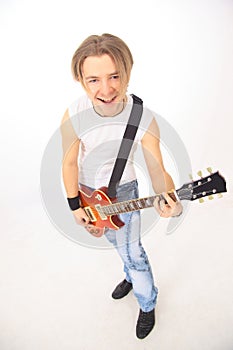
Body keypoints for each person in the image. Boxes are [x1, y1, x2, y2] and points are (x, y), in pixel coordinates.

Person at [61, 33, 183, 339]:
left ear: (128, 71)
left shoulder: (141, 116)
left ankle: (147, 302)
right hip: (89, 195)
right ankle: (130, 276)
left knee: (133, 252)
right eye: (94, 80)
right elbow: (69, 163)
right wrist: (75, 204)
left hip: (124, 194)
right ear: (80, 79)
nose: (106, 89)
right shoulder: (74, 114)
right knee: (119, 245)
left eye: (115, 76)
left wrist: (168, 196)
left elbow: (156, 168)